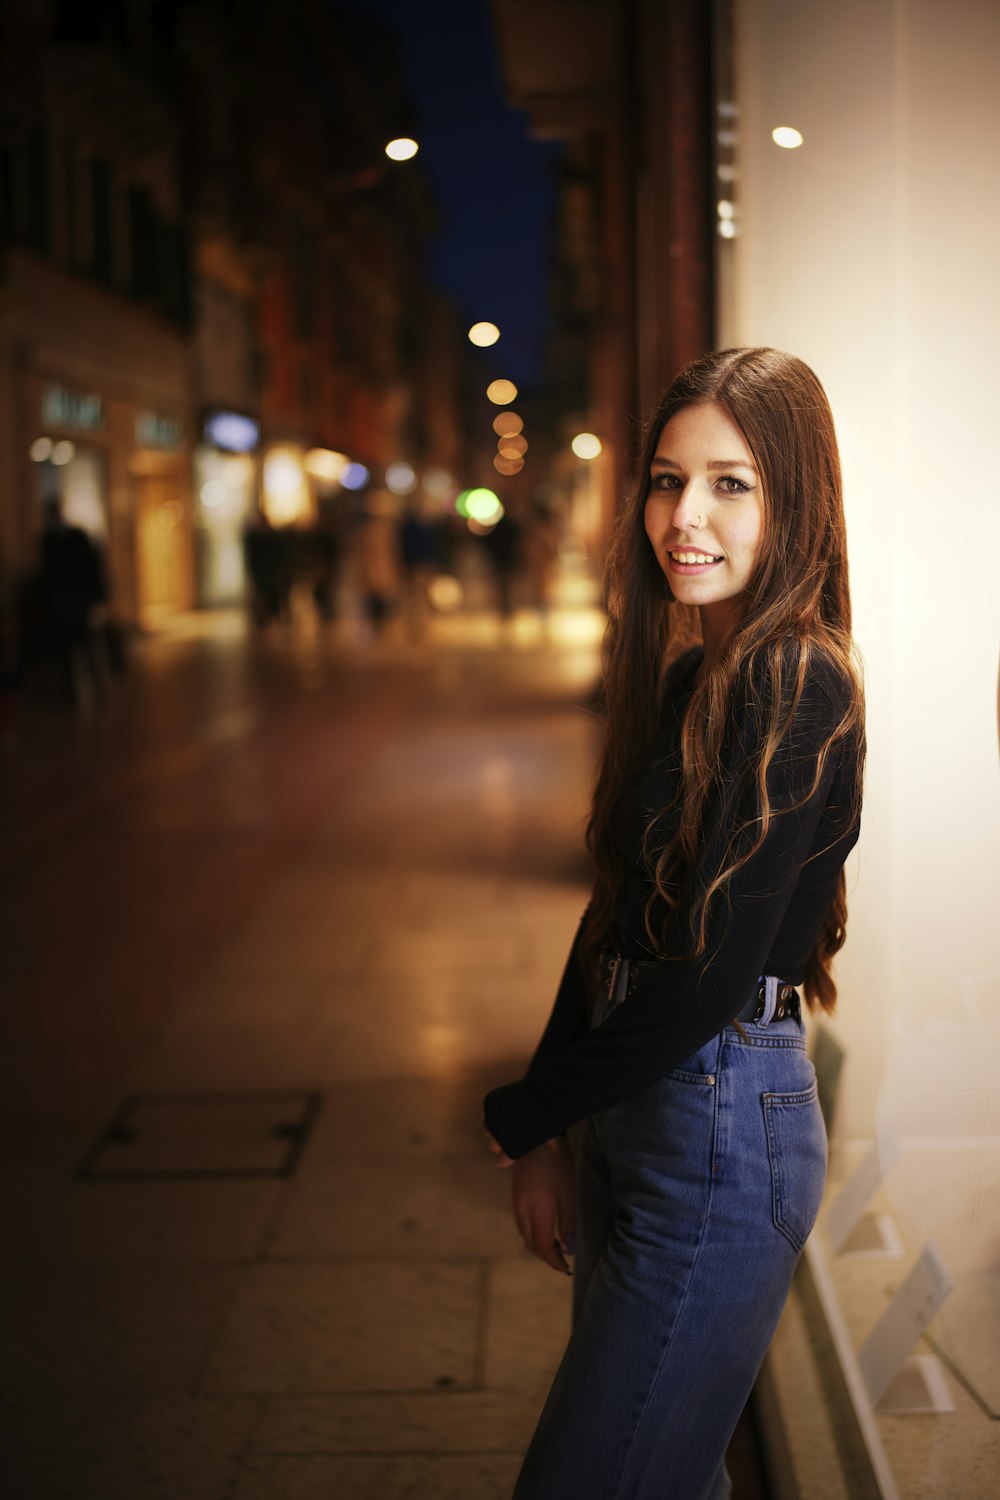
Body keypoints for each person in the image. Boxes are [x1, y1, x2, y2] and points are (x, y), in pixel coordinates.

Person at [482, 347, 865, 1500]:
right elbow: (614, 924)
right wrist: (550, 1132)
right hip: (645, 1106)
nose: (681, 517)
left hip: (720, 1126)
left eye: (729, 483)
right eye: (664, 479)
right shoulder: (701, 676)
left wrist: (526, 1109)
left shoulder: (800, 679)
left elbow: (704, 974)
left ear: (793, 500)